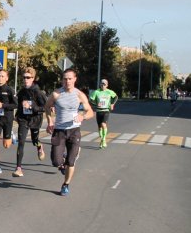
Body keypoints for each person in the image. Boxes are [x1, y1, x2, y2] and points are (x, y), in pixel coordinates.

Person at [44, 68, 94, 196]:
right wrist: (50, 121)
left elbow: (90, 112)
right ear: (62, 80)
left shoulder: (79, 95)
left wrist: (82, 116)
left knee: (71, 162)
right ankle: (62, 163)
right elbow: (47, 106)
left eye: (70, 79)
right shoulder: (56, 94)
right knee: (56, 161)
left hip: (74, 131)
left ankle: (66, 185)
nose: (67, 81)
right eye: (65, 79)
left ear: (75, 79)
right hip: (59, 130)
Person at [12, 67, 48, 177]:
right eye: (24, 77)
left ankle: (39, 146)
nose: (25, 80)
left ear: (33, 78)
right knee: (21, 142)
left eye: (28, 77)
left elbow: (45, 107)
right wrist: (17, 115)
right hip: (24, 119)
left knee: (34, 140)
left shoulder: (38, 92)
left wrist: (31, 106)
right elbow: (19, 105)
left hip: (35, 120)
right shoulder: (22, 92)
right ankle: (18, 168)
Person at [89, 78, 118, 149]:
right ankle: (102, 139)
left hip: (106, 110)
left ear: (107, 85)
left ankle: (104, 140)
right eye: (101, 84)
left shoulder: (109, 92)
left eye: (104, 84)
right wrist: (96, 105)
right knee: (99, 128)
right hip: (99, 111)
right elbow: (90, 100)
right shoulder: (96, 92)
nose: (103, 85)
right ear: (100, 84)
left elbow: (116, 97)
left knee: (103, 124)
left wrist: (112, 104)